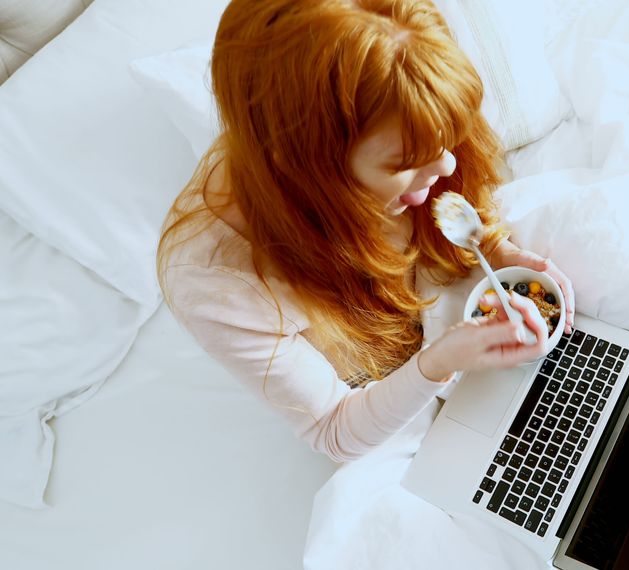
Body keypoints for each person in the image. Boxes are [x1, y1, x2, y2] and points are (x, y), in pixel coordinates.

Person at [156, 0, 575, 463]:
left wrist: (497, 249)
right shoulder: (218, 283)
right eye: (405, 163)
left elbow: (454, 185)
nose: (448, 164)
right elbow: (335, 430)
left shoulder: (406, 91)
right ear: (310, 171)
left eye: (442, 139)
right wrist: (442, 361)